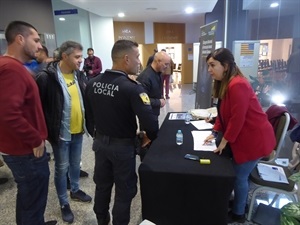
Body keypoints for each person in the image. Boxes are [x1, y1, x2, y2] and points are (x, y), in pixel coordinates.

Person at [85, 39, 159, 225]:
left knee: (102, 186)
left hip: (100, 144)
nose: (139, 62)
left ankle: (102, 221)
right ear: (126, 59)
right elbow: (150, 122)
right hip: (122, 148)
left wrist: (98, 136)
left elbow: (90, 118)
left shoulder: (93, 83)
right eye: (137, 57)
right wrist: (149, 137)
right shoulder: (132, 88)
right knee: (124, 191)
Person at [203, 48, 276, 223]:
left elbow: (237, 119)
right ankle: (237, 203)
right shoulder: (226, 84)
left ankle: (238, 213)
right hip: (246, 136)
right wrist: (215, 132)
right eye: (208, 66)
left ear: (225, 66)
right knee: (235, 174)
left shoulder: (238, 84)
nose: (209, 70)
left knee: (237, 176)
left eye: (212, 65)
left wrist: (224, 141)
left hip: (255, 140)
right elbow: (223, 114)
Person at [0, 20, 57, 225]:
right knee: (32, 199)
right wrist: (35, 139)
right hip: (25, 151)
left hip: (20, 150)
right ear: (20, 39)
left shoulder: (13, 67)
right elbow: (8, 114)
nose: (40, 46)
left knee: (28, 197)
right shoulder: (11, 70)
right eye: (35, 40)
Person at [36, 40, 92, 223]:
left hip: (78, 131)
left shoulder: (80, 75)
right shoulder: (46, 77)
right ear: (65, 56)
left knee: (75, 165)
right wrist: (42, 135)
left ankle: (75, 190)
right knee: (61, 168)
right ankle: (63, 202)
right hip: (60, 133)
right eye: (77, 57)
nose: (81, 60)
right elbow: (37, 108)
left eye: (81, 56)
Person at [136, 50, 169, 121]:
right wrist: (159, 102)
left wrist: (161, 97)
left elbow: (157, 90)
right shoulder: (145, 78)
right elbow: (141, 100)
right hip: (146, 115)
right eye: (166, 64)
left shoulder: (158, 73)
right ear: (158, 61)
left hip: (154, 112)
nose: (167, 67)